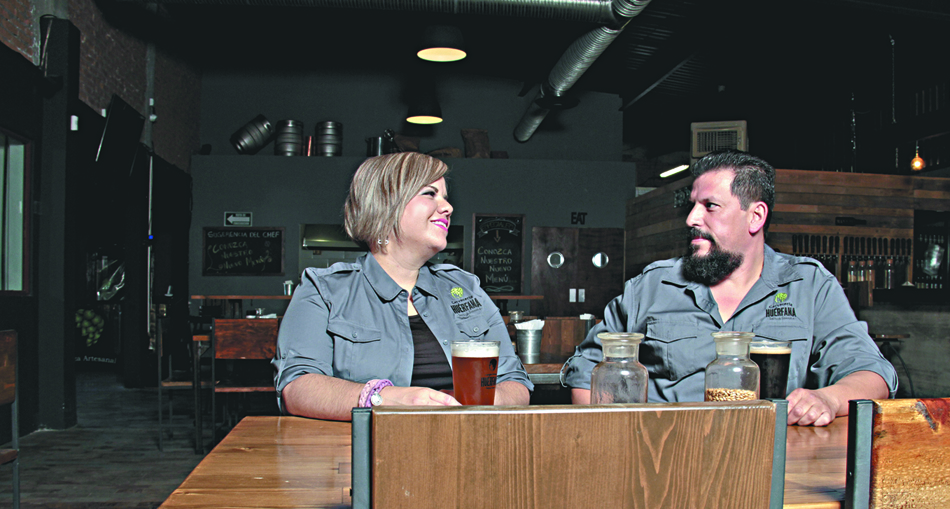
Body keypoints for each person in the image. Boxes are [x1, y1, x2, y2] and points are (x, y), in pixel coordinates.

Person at [561, 149, 896, 426]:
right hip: (663, 463)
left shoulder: (809, 286)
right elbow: (585, 371)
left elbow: (872, 373)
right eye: (692, 205)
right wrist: (617, 440)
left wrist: (828, 399)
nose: (692, 218)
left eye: (710, 206)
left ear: (755, 217)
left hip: (773, 462)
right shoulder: (650, 286)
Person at [273, 151, 532, 419]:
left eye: (445, 197)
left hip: (464, 439)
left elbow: (515, 382)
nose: (448, 207)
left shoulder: (466, 289)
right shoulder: (323, 290)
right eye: (430, 194)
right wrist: (386, 399)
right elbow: (297, 388)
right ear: (385, 204)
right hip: (364, 444)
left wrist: (475, 401)